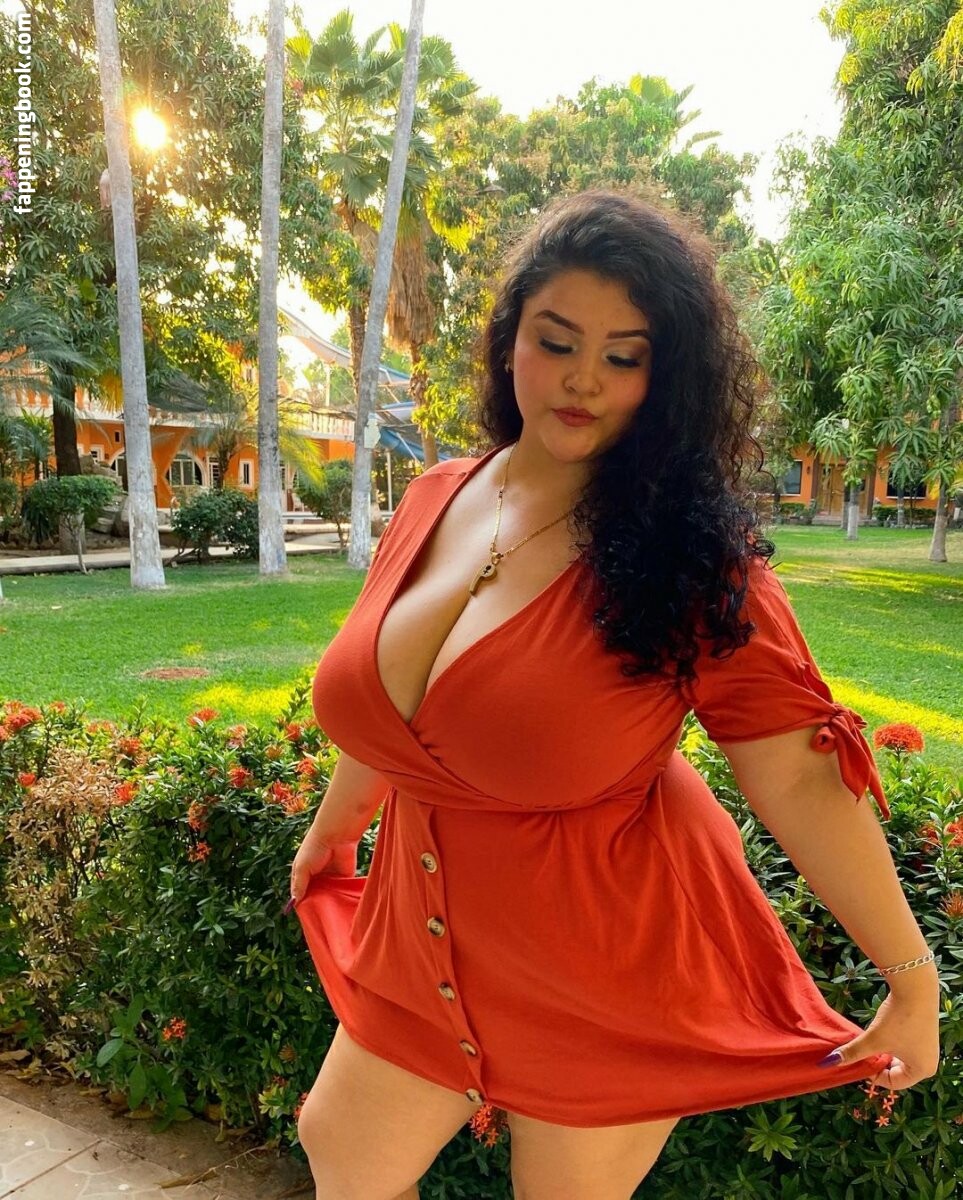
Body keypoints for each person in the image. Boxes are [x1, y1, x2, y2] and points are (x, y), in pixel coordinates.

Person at [288, 190, 939, 1200]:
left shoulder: (692, 559)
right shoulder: (434, 499)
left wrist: (911, 975)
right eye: (556, 341)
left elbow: (800, 779)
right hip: (420, 939)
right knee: (344, 1152)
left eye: (623, 357)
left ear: (662, 379)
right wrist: (333, 834)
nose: (583, 378)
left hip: (608, 968)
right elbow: (394, 720)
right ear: (510, 341)